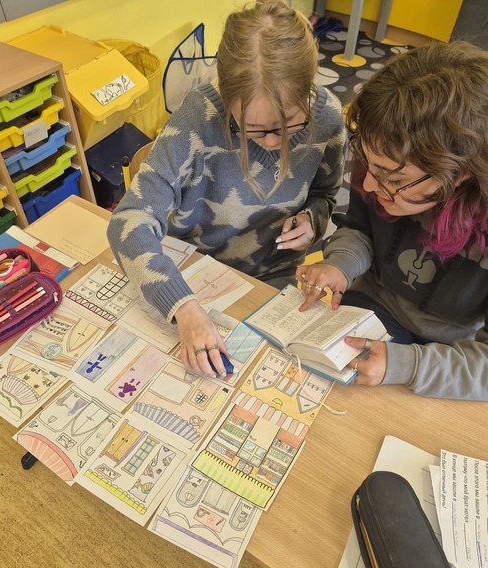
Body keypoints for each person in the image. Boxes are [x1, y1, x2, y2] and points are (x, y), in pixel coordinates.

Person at [107, 0, 344, 378]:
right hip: (192, 271)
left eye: (290, 125)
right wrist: (182, 305)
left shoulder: (329, 118)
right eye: (253, 129)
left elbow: (326, 195)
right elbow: (129, 218)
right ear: (226, 97)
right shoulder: (198, 116)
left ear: (309, 90)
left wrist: (312, 221)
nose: (273, 142)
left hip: (273, 277)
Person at [296, 41, 488, 400]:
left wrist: (408, 365)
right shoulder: (384, 165)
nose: (370, 185)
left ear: (461, 173)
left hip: (453, 354)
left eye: (394, 178)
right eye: (368, 163)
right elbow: (359, 230)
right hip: (374, 307)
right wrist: (341, 263)